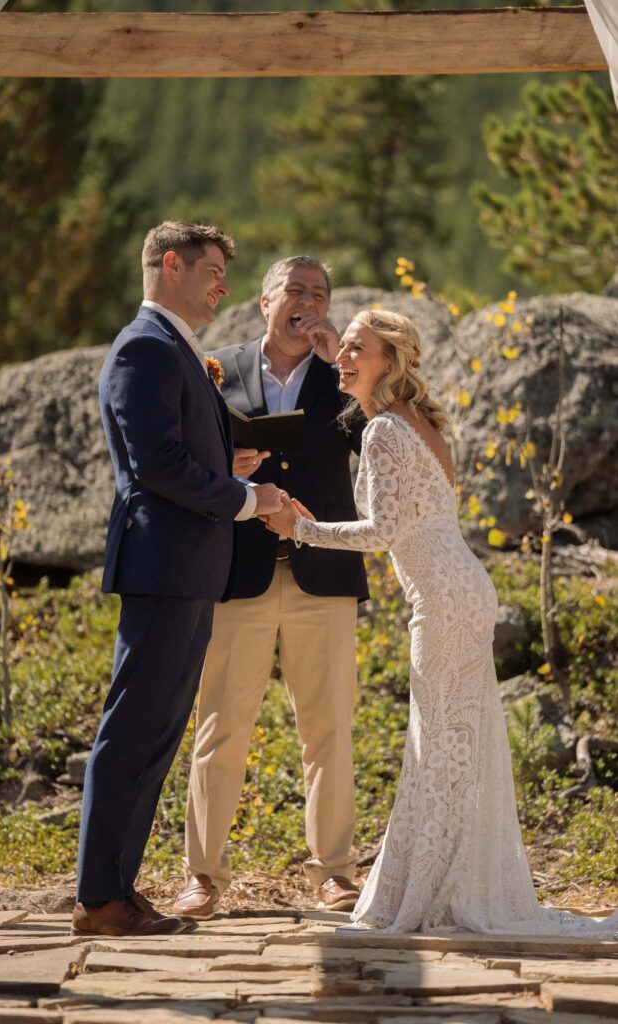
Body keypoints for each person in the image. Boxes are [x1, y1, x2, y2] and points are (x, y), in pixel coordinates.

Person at [263, 308, 618, 936]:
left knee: (440, 747)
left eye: (357, 349)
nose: (343, 357)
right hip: (460, 590)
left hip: (444, 602)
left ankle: (434, 893)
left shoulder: (383, 434)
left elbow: (382, 533)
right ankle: (450, 885)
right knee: (455, 746)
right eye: (341, 348)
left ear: (390, 360)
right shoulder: (415, 422)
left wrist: (302, 529)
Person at [72, 221, 284, 937]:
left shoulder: (173, 350)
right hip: (163, 565)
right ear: (170, 264)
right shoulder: (144, 347)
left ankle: (117, 890)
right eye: (213, 270)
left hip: (188, 567)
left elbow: (173, 455)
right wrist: (246, 499)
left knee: (157, 732)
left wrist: (225, 469)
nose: (223, 285)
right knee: (132, 731)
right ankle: (99, 899)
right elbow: (155, 466)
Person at [172, 256, 369, 920]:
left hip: (326, 574)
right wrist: (223, 467)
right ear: (264, 301)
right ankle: (202, 876)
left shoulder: (347, 377)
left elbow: (381, 444)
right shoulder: (216, 368)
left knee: (329, 728)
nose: (307, 301)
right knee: (220, 728)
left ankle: (334, 872)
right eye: (296, 290)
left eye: (319, 292)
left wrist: (342, 356)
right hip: (238, 573)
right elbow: (184, 462)